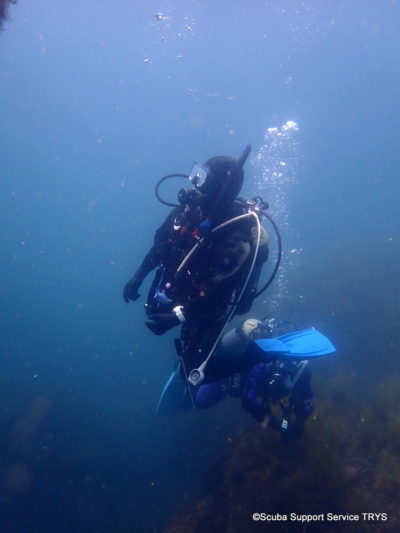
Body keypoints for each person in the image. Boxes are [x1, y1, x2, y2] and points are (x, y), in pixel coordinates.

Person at [123, 146, 271, 381]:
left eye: (203, 178)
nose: (195, 184)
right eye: (196, 175)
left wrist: (180, 318)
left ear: (221, 186)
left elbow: (218, 289)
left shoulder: (238, 231)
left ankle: (252, 361)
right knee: (181, 355)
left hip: (207, 309)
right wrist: (138, 276)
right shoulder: (188, 211)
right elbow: (161, 246)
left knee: (194, 374)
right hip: (185, 291)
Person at [193, 318, 336, 438]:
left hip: (255, 384)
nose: (292, 364)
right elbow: (249, 401)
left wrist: (300, 421)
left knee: (200, 399)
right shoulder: (264, 364)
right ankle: (189, 383)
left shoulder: (301, 372)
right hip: (228, 378)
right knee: (199, 401)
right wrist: (279, 425)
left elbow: (306, 397)